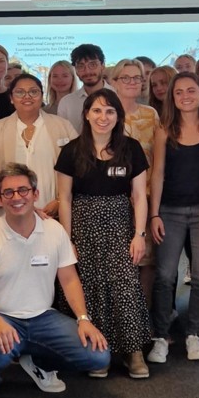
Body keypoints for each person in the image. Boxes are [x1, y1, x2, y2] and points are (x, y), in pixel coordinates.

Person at [0, 164, 109, 398]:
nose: (16, 197)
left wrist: (83, 319)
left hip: (42, 318)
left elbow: (69, 279)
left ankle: (37, 362)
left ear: (35, 194)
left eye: (23, 190)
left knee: (98, 356)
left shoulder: (54, 231)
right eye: (8, 192)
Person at [56, 89, 151, 379]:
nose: (103, 117)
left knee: (125, 286)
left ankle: (133, 352)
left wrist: (139, 234)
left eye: (110, 111)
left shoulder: (131, 148)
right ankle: (98, 352)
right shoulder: (71, 151)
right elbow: (64, 199)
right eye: (97, 110)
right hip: (83, 227)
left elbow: (139, 196)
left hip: (121, 226)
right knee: (89, 287)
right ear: (86, 114)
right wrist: (67, 241)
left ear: (118, 117)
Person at [149, 73, 199, 362]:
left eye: (191, 90)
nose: (185, 96)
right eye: (179, 92)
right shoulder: (164, 129)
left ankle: (193, 335)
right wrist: (154, 213)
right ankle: (161, 336)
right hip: (170, 211)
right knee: (165, 276)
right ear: (172, 97)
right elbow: (158, 174)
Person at [0, 73, 77, 222]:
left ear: (42, 96)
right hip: (9, 214)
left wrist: (60, 200)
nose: (27, 96)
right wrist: (14, 201)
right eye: (20, 92)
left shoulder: (63, 126)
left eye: (33, 91)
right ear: (11, 98)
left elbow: (78, 167)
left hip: (53, 214)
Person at [112, 58, 160, 303]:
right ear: (114, 82)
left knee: (147, 260)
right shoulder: (106, 114)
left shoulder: (151, 114)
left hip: (147, 197)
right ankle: (122, 314)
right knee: (120, 260)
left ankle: (144, 314)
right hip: (115, 198)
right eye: (126, 77)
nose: (132, 82)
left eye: (137, 78)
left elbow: (159, 158)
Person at [58, 43, 114, 131]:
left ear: (103, 65)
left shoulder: (118, 96)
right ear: (76, 70)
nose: (87, 71)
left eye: (93, 65)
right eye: (81, 66)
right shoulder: (67, 103)